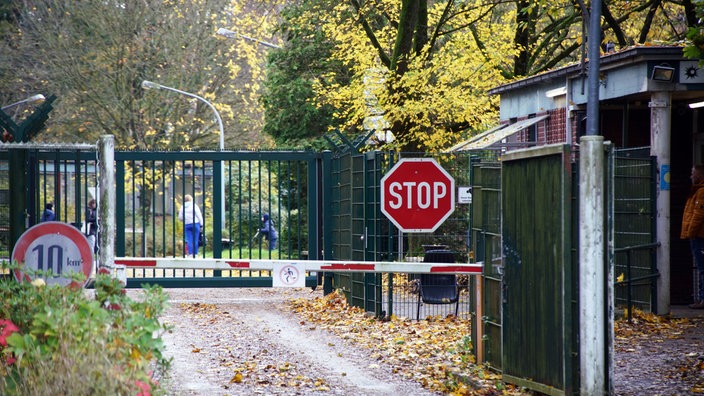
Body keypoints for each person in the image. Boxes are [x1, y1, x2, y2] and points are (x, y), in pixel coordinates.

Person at [681, 165, 704, 309]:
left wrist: (690, 232)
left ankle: (702, 299)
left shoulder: (700, 192)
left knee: (702, 268)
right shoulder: (697, 191)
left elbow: (698, 214)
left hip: (699, 236)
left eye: (693, 173)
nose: (691, 176)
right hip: (699, 235)